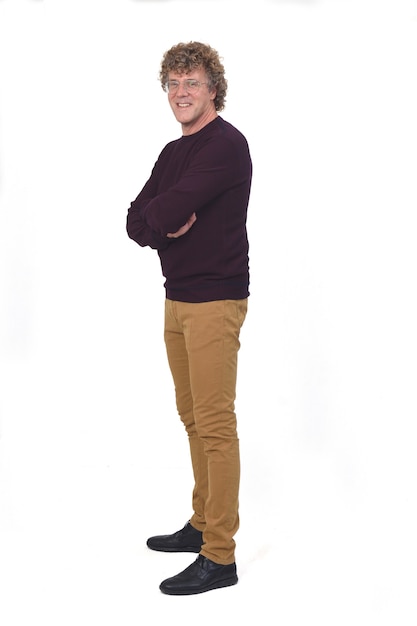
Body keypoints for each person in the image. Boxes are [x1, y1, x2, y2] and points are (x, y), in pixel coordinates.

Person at [126, 41, 252, 595]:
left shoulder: (226, 146)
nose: (182, 93)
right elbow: (137, 217)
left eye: (193, 83)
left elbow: (166, 209)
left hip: (215, 300)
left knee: (215, 424)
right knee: (192, 416)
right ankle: (201, 524)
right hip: (177, 296)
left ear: (213, 89)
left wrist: (162, 218)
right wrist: (159, 225)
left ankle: (219, 555)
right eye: (174, 84)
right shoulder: (173, 151)